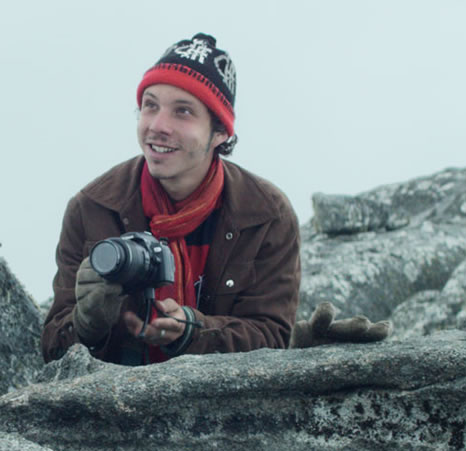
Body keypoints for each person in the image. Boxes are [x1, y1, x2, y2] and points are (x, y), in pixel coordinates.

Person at [41, 33, 301, 365]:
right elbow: (51, 351)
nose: (157, 126)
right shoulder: (92, 209)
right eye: (150, 106)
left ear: (220, 132)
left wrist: (193, 332)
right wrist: (87, 323)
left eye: (183, 112)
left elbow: (273, 339)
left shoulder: (265, 215)